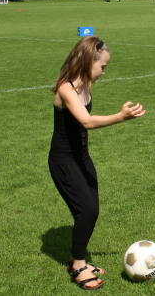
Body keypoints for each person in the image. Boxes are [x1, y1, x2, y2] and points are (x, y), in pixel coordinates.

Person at [49, 36, 145, 289]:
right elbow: (86, 121)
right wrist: (121, 117)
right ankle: (79, 265)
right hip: (63, 161)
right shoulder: (66, 89)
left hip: (81, 158)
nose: (104, 71)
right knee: (87, 211)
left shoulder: (86, 85)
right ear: (87, 62)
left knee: (92, 209)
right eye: (102, 66)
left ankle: (73, 259)